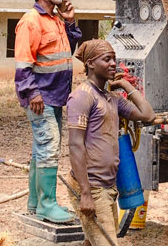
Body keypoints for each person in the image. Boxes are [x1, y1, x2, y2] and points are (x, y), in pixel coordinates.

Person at [66, 39, 155, 246]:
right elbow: (75, 146)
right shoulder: (81, 97)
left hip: (108, 187)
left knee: (95, 240)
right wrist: (85, 194)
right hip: (92, 187)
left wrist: (126, 85)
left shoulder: (111, 98)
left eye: (114, 59)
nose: (113, 63)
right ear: (90, 64)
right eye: (107, 59)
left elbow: (148, 115)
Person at [14, 0, 82, 223]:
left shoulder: (54, 19)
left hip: (55, 96)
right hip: (40, 98)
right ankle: (47, 205)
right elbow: (22, 64)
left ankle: (35, 203)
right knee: (49, 147)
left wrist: (69, 21)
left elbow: (70, 48)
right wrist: (32, 94)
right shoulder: (30, 21)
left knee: (41, 148)